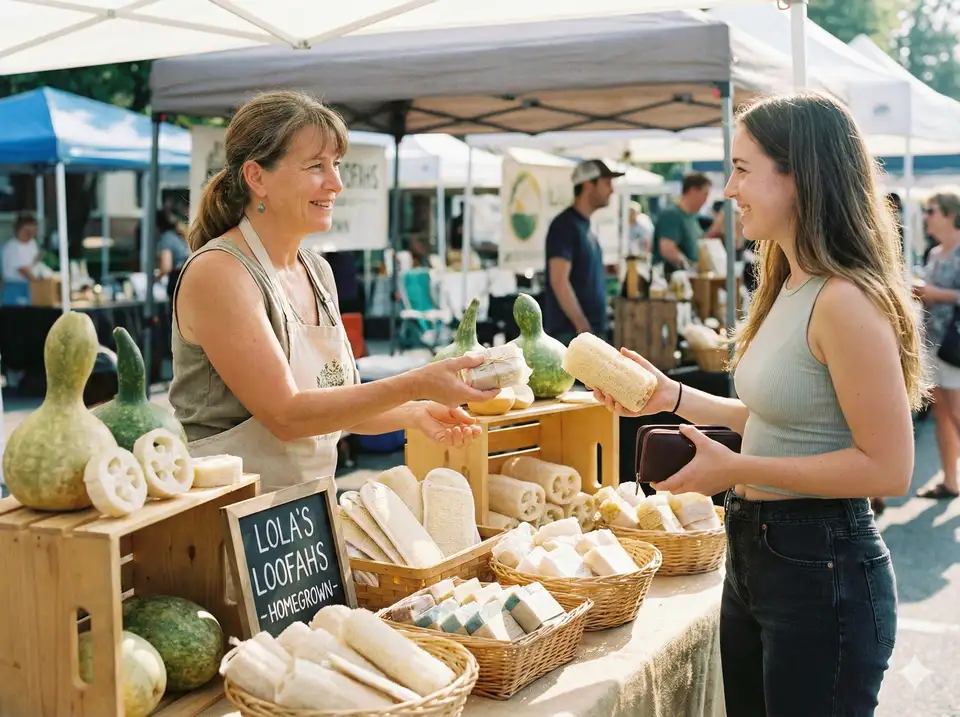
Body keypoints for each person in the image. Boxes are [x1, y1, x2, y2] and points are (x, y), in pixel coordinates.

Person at [592, 92, 924, 716]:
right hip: (762, 556)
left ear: (800, 175)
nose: (727, 187)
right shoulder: (788, 282)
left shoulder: (846, 301)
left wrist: (738, 469)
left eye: (743, 169)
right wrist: (674, 397)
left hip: (821, 565)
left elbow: (889, 469)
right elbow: (788, 423)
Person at [167, 90, 498, 494]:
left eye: (336, 164)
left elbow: (335, 406)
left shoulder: (318, 271)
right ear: (257, 178)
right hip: (224, 521)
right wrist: (415, 383)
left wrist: (415, 413)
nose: (336, 183)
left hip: (304, 517)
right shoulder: (220, 273)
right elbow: (287, 415)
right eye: (315, 166)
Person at [543, 159, 623, 345]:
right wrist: (581, 325)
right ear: (588, 184)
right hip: (572, 335)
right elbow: (559, 281)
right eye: (606, 183)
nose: (612, 190)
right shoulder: (564, 226)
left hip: (586, 334)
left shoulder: (584, 225)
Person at [913, 189, 960, 500]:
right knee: (943, 415)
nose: (926, 217)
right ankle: (950, 481)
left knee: (956, 414)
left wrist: (930, 292)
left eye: (930, 211)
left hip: (955, 347)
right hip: (935, 343)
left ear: (949, 214)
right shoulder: (934, 253)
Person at [651, 172, 711, 278]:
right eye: (705, 194)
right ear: (693, 191)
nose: (706, 200)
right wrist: (691, 269)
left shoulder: (692, 217)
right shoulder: (672, 214)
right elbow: (667, 249)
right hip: (672, 282)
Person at [1, 212, 40, 306]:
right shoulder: (11, 247)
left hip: (29, 286)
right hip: (14, 288)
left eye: (33, 231)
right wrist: (41, 283)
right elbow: (23, 270)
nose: (30, 234)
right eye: (27, 231)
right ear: (18, 230)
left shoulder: (32, 243)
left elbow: (36, 261)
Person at [156, 209, 190, 302]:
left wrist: (157, 278)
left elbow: (166, 266)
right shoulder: (179, 236)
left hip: (176, 281)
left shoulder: (166, 239)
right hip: (188, 278)